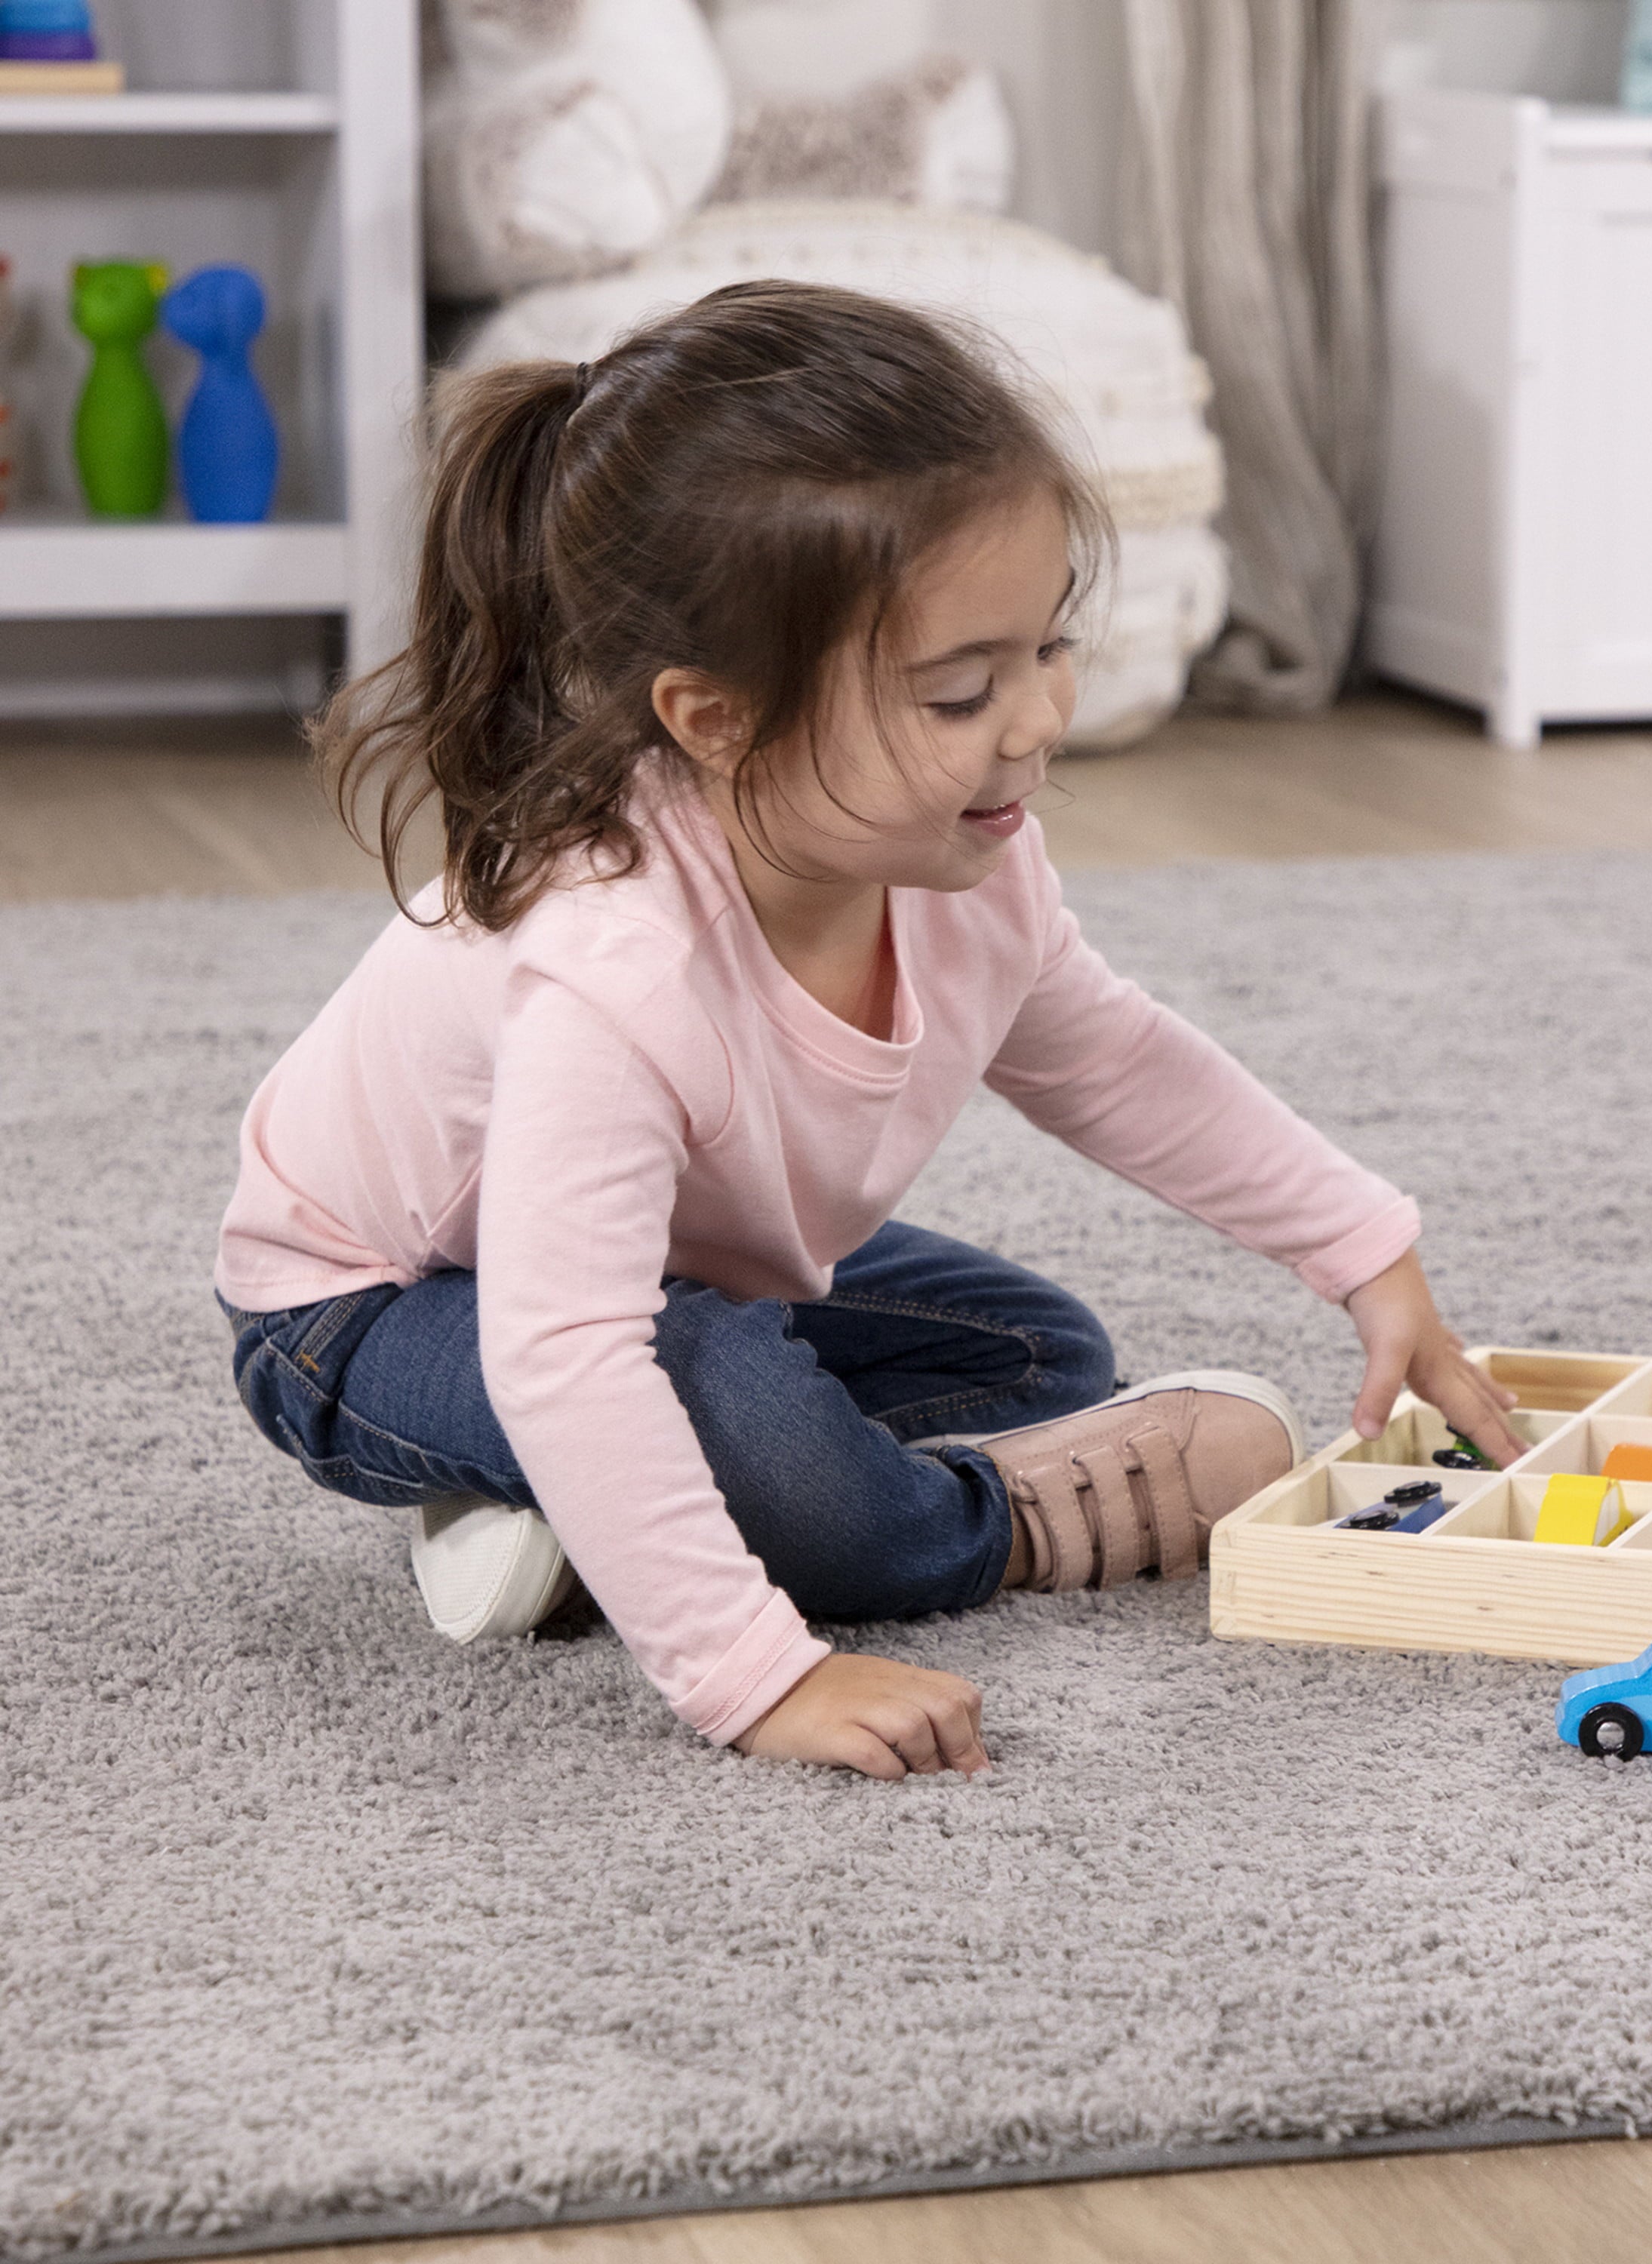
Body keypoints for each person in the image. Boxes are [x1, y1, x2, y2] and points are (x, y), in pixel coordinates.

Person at [213, 281, 1519, 1784]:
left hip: (662, 1267)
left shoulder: (968, 861)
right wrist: (758, 1678)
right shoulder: (614, 970)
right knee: (735, 1420)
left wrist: (1359, 1247)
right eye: (961, 693)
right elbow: (564, 1349)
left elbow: (1112, 1060)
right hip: (363, 1313)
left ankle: (589, 1525)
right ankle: (970, 1527)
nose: (1038, 719)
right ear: (715, 721)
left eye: (1049, 645)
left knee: (1042, 1351)